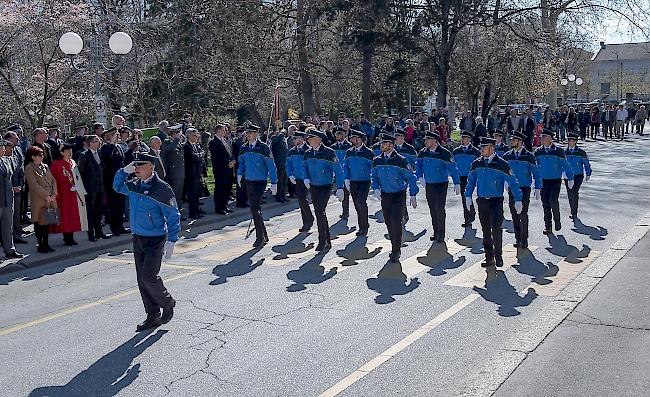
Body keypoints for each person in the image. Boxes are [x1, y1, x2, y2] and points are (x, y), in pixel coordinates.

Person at [113, 152, 180, 332]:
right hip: (138, 237)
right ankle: (152, 315)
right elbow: (117, 186)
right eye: (134, 166)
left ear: (151, 167)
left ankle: (167, 302)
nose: (136, 170)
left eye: (140, 166)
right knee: (141, 280)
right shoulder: (134, 185)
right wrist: (123, 171)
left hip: (156, 238)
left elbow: (173, 216)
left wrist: (172, 240)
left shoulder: (161, 189)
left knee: (149, 276)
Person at [464, 137, 523, 268]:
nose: (481, 150)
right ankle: (489, 257)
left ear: (491, 148)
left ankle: (498, 256)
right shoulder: (476, 163)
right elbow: (471, 181)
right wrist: (467, 196)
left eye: (483, 148)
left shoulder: (502, 164)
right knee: (485, 230)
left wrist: (518, 199)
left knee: (496, 229)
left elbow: (513, 182)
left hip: (496, 201)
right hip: (482, 201)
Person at [371, 134, 418, 263]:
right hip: (385, 194)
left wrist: (413, 193)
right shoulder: (377, 160)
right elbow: (374, 176)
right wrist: (375, 187)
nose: (382, 145)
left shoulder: (401, 160)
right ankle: (394, 244)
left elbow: (410, 177)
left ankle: (396, 250)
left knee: (396, 222)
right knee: (388, 222)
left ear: (391, 145)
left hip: (398, 194)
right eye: (381, 143)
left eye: (384, 143)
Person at [302, 128, 344, 251]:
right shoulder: (308, 153)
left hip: (325, 186)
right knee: (320, 212)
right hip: (314, 186)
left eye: (311, 138)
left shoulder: (329, 152)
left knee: (320, 212)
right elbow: (304, 167)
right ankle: (327, 239)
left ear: (318, 139)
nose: (309, 141)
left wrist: (340, 187)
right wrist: (305, 178)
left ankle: (322, 240)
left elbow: (338, 171)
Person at [237, 125, 278, 248]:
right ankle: (264, 234)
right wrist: (239, 174)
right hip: (249, 181)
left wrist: (274, 182)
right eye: (247, 133)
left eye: (250, 133)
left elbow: (271, 165)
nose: (248, 135)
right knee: (255, 209)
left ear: (256, 134)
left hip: (260, 181)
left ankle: (259, 237)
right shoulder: (244, 148)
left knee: (254, 207)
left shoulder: (263, 148)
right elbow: (242, 163)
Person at [415, 131, 459, 243]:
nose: (425, 142)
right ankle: (436, 231)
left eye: (427, 140)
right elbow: (418, 165)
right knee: (432, 208)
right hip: (429, 184)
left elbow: (452, 168)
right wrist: (420, 177)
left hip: (441, 184)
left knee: (439, 208)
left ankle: (441, 233)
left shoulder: (444, 153)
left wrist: (457, 182)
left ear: (434, 140)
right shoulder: (423, 152)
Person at [502, 131, 542, 249]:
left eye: (513, 140)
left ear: (520, 142)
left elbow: (536, 172)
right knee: (514, 214)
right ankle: (518, 238)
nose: (511, 142)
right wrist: (504, 182)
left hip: (524, 188)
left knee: (523, 214)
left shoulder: (529, 156)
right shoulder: (507, 155)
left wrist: (538, 186)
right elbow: (502, 171)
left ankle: (524, 239)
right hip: (512, 189)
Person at [534, 129, 575, 234]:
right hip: (543, 181)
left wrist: (570, 178)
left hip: (555, 181)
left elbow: (566, 165)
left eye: (543, 137)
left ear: (549, 139)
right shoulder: (538, 151)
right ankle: (548, 226)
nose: (541, 139)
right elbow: (534, 168)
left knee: (553, 201)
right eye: (541, 137)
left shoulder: (558, 151)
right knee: (545, 204)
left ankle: (557, 220)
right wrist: (536, 185)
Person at [50, 143, 87, 246]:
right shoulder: (56, 164)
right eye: (67, 151)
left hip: (73, 194)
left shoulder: (72, 162)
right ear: (62, 152)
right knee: (66, 217)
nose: (70, 153)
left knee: (72, 216)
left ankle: (71, 237)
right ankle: (67, 238)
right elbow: (53, 181)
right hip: (63, 195)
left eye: (71, 151)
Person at [78, 135, 111, 241]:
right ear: (90, 143)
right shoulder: (84, 155)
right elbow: (80, 172)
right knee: (90, 212)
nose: (98, 143)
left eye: (98, 141)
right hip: (89, 188)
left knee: (99, 211)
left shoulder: (100, 154)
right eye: (95, 141)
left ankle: (99, 232)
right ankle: (91, 234)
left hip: (100, 188)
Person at [25, 146, 57, 253]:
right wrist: (46, 195)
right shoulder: (30, 168)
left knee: (47, 222)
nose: (41, 157)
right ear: (33, 157)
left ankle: (46, 244)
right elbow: (34, 185)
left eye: (42, 154)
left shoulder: (45, 166)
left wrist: (53, 194)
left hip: (49, 199)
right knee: (39, 223)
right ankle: (41, 245)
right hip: (39, 199)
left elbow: (53, 181)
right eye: (39, 155)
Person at [342, 130, 374, 236]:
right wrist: (346, 178)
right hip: (353, 181)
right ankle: (363, 224)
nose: (352, 140)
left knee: (361, 202)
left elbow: (374, 167)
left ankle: (364, 226)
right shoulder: (349, 151)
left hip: (364, 181)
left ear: (360, 139)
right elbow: (345, 165)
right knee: (356, 204)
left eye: (354, 138)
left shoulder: (368, 152)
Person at [99, 127, 128, 236]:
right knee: (113, 205)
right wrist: (111, 143)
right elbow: (106, 157)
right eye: (115, 134)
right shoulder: (105, 147)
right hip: (110, 180)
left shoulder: (119, 147)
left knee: (120, 204)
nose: (117, 136)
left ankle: (120, 226)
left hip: (120, 179)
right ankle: (114, 228)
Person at [0, 139, 24, 258]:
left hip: (8, 198)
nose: (3, 149)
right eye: (1, 147)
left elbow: (12, 174)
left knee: (8, 226)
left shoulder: (6, 160)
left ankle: (10, 250)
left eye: (3, 147)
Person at [287, 130, 314, 232]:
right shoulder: (292, 151)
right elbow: (288, 164)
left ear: (302, 139)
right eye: (293, 138)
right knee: (300, 200)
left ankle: (309, 219)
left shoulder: (308, 150)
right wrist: (290, 175)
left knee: (303, 199)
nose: (294, 140)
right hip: (297, 178)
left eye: (296, 138)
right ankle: (306, 222)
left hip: (307, 178)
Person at [4, 130, 27, 244]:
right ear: (8, 139)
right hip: (9, 187)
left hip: (19, 185)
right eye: (15, 137)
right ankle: (12, 237)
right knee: (10, 215)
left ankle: (18, 232)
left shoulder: (17, 149)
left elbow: (20, 168)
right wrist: (12, 186)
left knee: (18, 212)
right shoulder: (4, 152)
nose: (18, 138)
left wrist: (22, 183)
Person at [453, 131, 480, 227]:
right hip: (461, 176)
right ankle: (468, 218)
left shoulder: (475, 151)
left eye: (466, 138)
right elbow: (453, 164)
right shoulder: (456, 151)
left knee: (467, 195)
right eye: (463, 138)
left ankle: (471, 212)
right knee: (464, 197)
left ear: (469, 139)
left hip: (471, 176)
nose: (464, 140)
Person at [564, 133, 592, 221]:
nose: (570, 142)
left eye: (571, 141)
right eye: (569, 141)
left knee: (574, 192)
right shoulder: (564, 152)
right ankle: (572, 209)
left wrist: (588, 173)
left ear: (575, 142)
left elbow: (586, 163)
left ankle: (574, 213)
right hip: (567, 176)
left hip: (578, 176)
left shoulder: (581, 152)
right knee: (569, 193)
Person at [209, 124, 235, 215]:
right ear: (219, 130)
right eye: (224, 130)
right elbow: (217, 157)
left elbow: (229, 152)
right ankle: (219, 207)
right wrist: (227, 163)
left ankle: (225, 205)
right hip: (220, 169)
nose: (226, 132)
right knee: (220, 188)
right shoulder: (213, 142)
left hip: (228, 168)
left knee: (226, 188)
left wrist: (233, 160)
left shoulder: (224, 140)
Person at [394, 130, 417, 224]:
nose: (396, 139)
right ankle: (403, 211)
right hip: (394, 174)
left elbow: (416, 161)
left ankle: (403, 212)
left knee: (402, 192)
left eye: (398, 136)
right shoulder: (393, 148)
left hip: (405, 174)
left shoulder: (409, 148)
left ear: (403, 137)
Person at [162, 126, 186, 214]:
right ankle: (173, 213)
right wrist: (176, 139)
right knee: (174, 195)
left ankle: (178, 212)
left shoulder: (177, 142)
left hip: (180, 172)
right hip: (173, 173)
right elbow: (170, 149)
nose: (180, 135)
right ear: (174, 133)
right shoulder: (167, 141)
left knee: (179, 194)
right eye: (178, 133)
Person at [183, 128, 205, 219]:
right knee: (192, 194)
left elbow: (202, 153)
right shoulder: (186, 146)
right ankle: (192, 213)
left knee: (196, 193)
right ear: (189, 136)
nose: (196, 137)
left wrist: (200, 155)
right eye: (194, 135)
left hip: (197, 172)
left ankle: (197, 209)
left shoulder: (196, 145)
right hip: (190, 173)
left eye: (197, 135)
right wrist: (200, 155)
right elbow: (194, 157)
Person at [332, 127, 353, 219]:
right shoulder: (333, 147)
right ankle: (345, 211)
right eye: (336, 134)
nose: (337, 136)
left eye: (339, 134)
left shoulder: (349, 146)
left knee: (347, 192)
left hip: (347, 173)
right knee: (341, 192)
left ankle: (346, 211)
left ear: (344, 135)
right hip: (338, 173)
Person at [270, 128, 289, 203]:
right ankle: (279, 196)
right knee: (280, 181)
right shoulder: (274, 139)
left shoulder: (283, 140)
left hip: (285, 162)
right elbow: (275, 142)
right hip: (279, 163)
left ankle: (283, 195)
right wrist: (279, 135)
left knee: (284, 180)